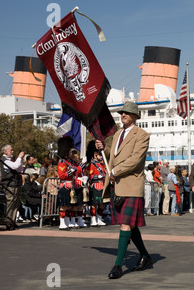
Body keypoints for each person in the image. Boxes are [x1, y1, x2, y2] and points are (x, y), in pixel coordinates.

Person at [96, 101, 152, 279]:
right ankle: (145, 256)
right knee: (130, 224)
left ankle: (118, 266)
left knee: (125, 224)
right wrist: (105, 149)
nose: (123, 115)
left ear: (135, 116)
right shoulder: (118, 134)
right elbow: (114, 156)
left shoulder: (142, 135)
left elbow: (135, 160)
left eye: (127, 113)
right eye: (122, 113)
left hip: (131, 185)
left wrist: (114, 171)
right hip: (117, 184)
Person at [56, 137, 86, 230]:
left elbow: (76, 169)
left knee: (69, 206)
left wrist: (79, 167)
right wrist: (70, 171)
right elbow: (62, 175)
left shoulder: (69, 162)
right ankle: (62, 223)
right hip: (65, 185)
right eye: (69, 151)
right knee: (64, 205)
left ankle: (67, 222)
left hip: (71, 185)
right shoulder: (62, 162)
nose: (71, 153)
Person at [0, 144, 25, 229]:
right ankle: (8, 220)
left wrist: (19, 160)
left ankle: (12, 220)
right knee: (11, 202)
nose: (12, 151)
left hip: (15, 184)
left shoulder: (10, 160)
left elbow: (18, 168)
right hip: (9, 185)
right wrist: (20, 157)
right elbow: (15, 166)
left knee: (15, 203)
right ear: (5, 152)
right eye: (11, 150)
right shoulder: (4, 160)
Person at [85, 140, 107, 227]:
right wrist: (97, 177)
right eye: (100, 155)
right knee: (94, 204)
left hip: (102, 186)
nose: (101, 157)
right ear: (95, 155)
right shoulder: (91, 165)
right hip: (95, 185)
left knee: (102, 204)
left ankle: (99, 219)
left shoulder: (102, 165)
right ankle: (93, 219)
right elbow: (89, 175)